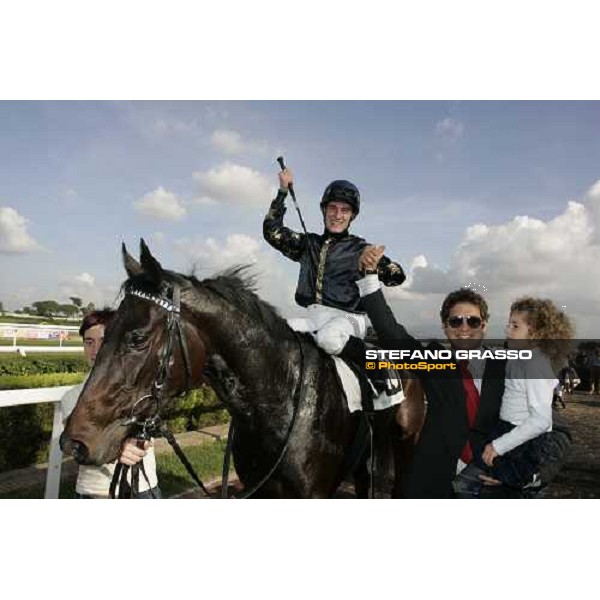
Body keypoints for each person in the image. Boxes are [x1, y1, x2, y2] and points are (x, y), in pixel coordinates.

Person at [357, 245, 506, 498]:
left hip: (494, 484)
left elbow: (551, 430)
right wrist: (370, 276)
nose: (464, 328)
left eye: (473, 321)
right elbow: (391, 332)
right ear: (445, 327)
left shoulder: (509, 367)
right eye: (455, 321)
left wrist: (520, 470)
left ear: (485, 325)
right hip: (431, 484)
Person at [263, 168, 406, 358]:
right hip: (314, 318)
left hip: (349, 320)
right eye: (333, 208)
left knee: (328, 338)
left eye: (345, 210)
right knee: (274, 332)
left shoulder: (360, 248)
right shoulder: (308, 244)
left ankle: (378, 363)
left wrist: (376, 265)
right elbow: (272, 232)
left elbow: (397, 276)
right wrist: (282, 192)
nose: (337, 215)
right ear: (324, 210)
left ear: (352, 216)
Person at [454, 297, 574, 496]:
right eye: (508, 324)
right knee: (466, 486)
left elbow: (543, 420)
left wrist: (499, 447)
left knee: (489, 488)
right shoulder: (514, 356)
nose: (507, 330)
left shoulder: (534, 363)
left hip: (518, 441)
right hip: (504, 434)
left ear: (535, 333)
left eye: (515, 326)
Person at [60, 309, 161, 499]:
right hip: (96, 493)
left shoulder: (141, 389)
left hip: (145, 489)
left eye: (103, 341)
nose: (96, 349)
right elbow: (78, 447)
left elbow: (150, 430)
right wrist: (118, 450)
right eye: (89, 342)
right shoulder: (71, 397)